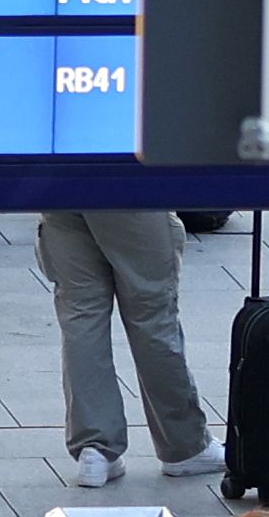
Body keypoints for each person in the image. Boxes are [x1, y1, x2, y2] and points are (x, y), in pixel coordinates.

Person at [36, 204, 203, 488]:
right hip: (126, 182)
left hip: (60, 178)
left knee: (82, 317)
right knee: (151, 314)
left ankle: (95, 448)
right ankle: (184, 446)